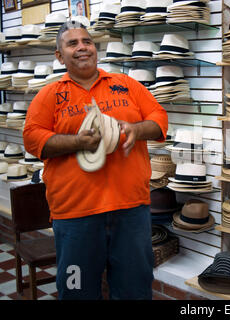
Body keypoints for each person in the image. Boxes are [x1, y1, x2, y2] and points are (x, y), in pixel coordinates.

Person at [23, 21, 168, 300]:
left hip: (130, 209)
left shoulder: (126, 85)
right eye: (72, 43)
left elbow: (159, 119)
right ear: (59, 55)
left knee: (134, 290)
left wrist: (135, 130)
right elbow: (32, 139)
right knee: (77, 291)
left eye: (86, 42)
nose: (82, 48)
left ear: (95, 49)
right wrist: (78, 142)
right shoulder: (50, 95)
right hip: (75, 214)